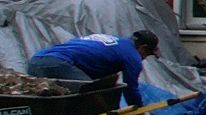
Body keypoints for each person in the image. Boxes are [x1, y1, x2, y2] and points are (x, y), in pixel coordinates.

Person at [26, 29, 161, 109]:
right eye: (147, 55)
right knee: (91, 96)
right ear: (143, 48)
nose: (144, 58)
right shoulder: (132, 55)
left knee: (53, 98)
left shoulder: (116, 43)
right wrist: (139, 111)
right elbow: (130, 87)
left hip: (35, 61)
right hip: (57, 63)